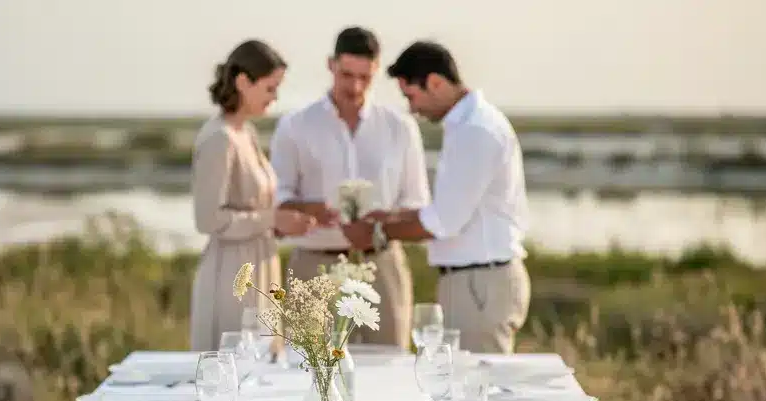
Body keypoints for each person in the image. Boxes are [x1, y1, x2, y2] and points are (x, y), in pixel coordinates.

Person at [344, 41, 531, 354]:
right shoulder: (468, 126)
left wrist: (378, 231)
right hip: (473, 281)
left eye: (411, 96)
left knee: (477, 381)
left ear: (435, 83)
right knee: (460, 379)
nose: (412, 108)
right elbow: (445, 210)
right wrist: (389, 218)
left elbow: (443, 222)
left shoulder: (476, 130)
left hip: (479, 284)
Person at [269, 27, 431, 350]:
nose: (355, 87)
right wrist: (312, 211)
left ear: (376, 70)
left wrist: (380, 226)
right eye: (346, 75)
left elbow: (417, 203)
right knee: (309, 366)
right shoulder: (295, 125)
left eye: (364, 77)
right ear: (330, 65)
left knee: (389, 365)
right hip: (313, 265)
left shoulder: (401, 127)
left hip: (382, 264)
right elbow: (278, 199)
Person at [189, 40, 317, 351]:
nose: (275, 97)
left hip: (260, 265)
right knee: (238, 364)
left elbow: (255, 209)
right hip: (231, 275)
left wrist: (284, 222)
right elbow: (208, 220)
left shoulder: (245, 133)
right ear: (243, 82)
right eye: (270, 88)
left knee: (264, 364)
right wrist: (273, 219)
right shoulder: (219, 139)